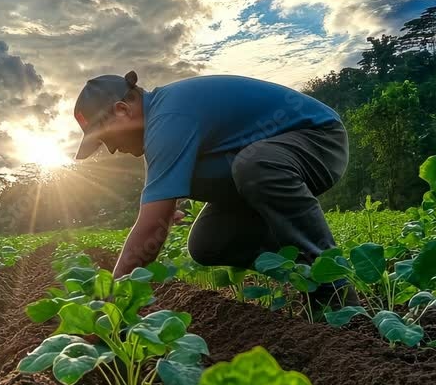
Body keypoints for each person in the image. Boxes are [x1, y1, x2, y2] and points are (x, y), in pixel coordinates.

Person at [72, 70, 352, 298]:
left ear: (122, 110)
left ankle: (334, 288)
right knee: (208, 242)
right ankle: (303, 274)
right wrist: (164, 213)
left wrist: (110, 302)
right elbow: (158, 213)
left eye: (105, 138)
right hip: (265, 162)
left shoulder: (167, 119)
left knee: (254, 164)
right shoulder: (162, 128)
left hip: (319, 141)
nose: (110, 149)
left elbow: (148, 228)